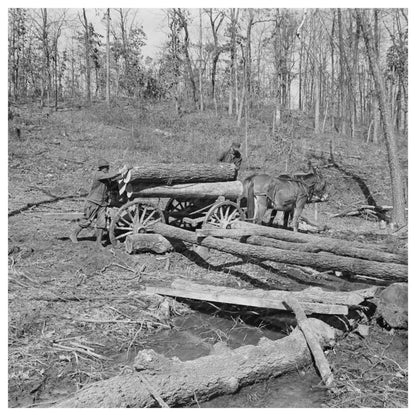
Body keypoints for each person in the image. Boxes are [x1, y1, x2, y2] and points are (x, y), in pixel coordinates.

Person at [70, 159, 130, 246]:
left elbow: (114, 178)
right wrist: (122, 170)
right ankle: (74, 234)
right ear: (102, 168)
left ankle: (98, 242)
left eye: (108, 167)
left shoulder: (106, 177)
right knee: (87, 220)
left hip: (102, 204)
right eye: (106, 168)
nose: (108, 169)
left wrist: (125, 175)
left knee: (102, 223)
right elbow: (111, 175)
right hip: (93, 202)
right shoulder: (99, 175)